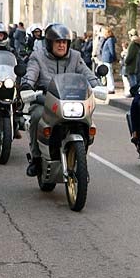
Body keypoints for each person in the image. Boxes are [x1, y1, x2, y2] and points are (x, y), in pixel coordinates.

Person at [22, 23, 99, 177]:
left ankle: (80, 162)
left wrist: (97, 86)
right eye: (58, 42)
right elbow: (31, 72)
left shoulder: (75, 57)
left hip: (71, 99)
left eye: (64, 42)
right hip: (45, 99)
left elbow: (87, 73)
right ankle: (36, 159)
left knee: (87, 121)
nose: (62, 45)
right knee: (37, 117)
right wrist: (27, 85)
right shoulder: (38, 56)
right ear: (50, 43)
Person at [123, 29, 140, 98]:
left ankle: (134, 93)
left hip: (131, 66)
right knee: (136, 80)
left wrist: (125, 61)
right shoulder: (139, 43)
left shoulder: (133, 44)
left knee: (132, 81)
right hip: (137, 65)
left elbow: (130, 55)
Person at [99, 26, 117, 93]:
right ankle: (109, 87)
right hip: (106, 58)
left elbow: (111, 50)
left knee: (109, 74)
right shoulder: (107, 40)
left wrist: (114, 58)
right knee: (107, 74)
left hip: (108, 59)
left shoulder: (110, 40)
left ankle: (111, 88)